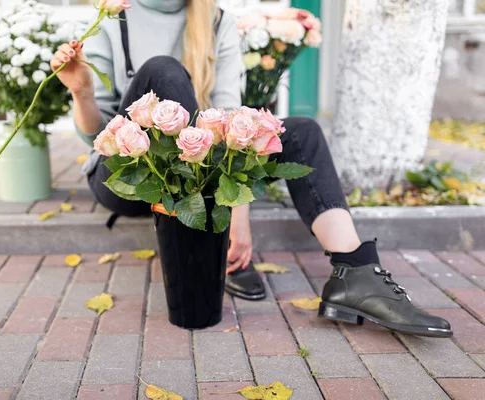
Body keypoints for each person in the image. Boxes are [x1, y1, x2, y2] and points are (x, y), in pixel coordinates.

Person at [51, 0, 452, 337]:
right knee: (163, 70)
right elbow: (95, 134)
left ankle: (355, 272)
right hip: (129, 180)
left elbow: (228, 120)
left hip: (202, 179)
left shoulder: (216, 19)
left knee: (302, 133)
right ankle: (212, 251)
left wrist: (236, 215)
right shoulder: (111, 15)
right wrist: (81, 90)